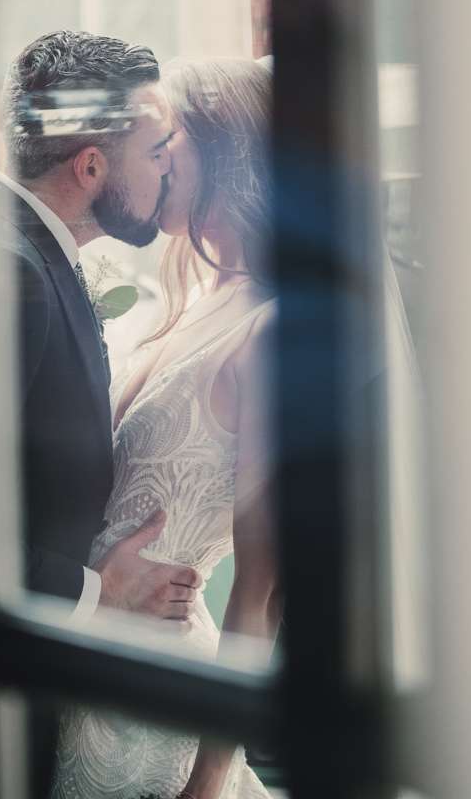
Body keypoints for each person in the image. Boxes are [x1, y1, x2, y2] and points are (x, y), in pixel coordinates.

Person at [52, 57, 280, 799]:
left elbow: (262, 591)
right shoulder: (185, 302)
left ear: (222, 150)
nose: (150, 159)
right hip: (74, 669)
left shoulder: (269, 329)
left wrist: (208, 783)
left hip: (156, 708)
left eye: (165, 139)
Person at [0, 31, 204, 797]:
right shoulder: (12, 273)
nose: (168, 170)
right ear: (90, 167)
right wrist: (100, 593)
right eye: (154, 153)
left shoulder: (33, 256)